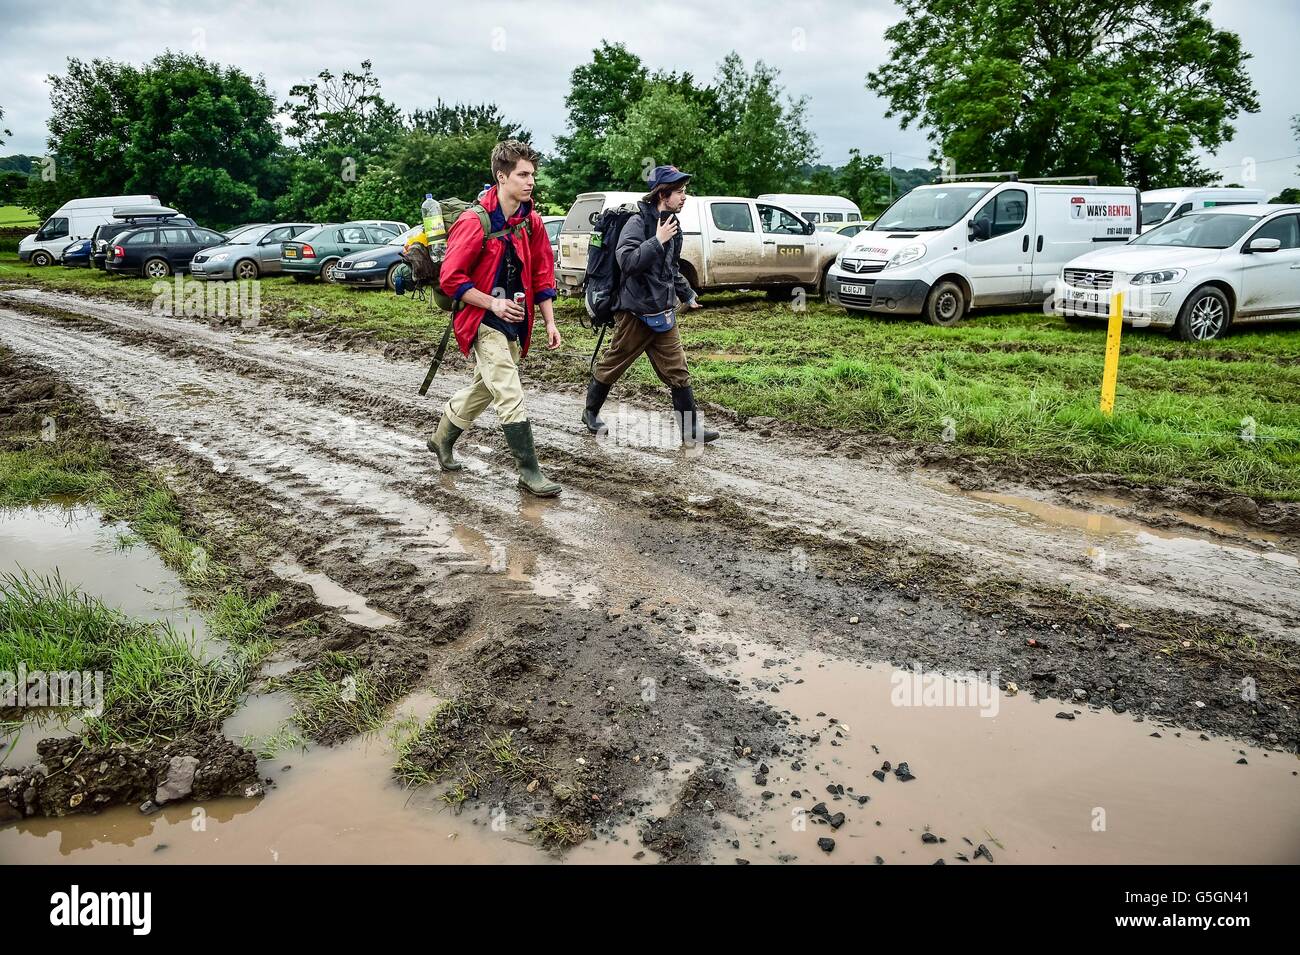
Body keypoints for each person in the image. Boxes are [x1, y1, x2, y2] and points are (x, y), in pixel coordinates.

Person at [426, 140, 563, 497]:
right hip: (482, 321)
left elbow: (542, 274)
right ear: (502, 177)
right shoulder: (475, 222)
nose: (530, 181)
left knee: (485, 387)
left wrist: (549, 321)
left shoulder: (530, 220)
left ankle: (442, 438)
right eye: (522, 174)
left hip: (516, 319)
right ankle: (529, 472)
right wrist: (493, 304)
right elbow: (451, 279)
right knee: (508, 389)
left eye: (532, 174)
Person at [582, 165, 720, 447]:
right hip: (635, 312)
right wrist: (657, 241)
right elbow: (628, 263)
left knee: (678, 371)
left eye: (684, 192)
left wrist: (688, 294)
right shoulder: (637, 224)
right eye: (679, 192)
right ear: (662, 194)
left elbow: (670, 269)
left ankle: (690, 430)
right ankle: (590, 413)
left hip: (663, 311)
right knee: (612, 365)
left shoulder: (672, 225)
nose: (685, 197)